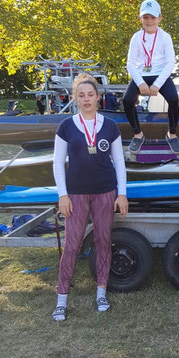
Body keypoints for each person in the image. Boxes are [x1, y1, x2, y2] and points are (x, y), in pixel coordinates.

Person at [52, 74, 128, 321]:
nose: (86, 99)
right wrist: (62, 194)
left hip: (105, 192)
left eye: (90, 95)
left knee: (103, 241)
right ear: (75, 98)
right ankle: (62, 299)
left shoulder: (110, 126)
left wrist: (122, 194)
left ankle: (101, 293)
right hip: (76, 194)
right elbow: (57, 162)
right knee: (72, 245)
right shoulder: (66, 126)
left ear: (98, 97)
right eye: (81, 95)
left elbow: (119, 161)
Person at [124, 0, 179, 154]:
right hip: (141, 74)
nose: (149, 21)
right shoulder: (136, 37)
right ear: (140, 19)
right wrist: (141, 82)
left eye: (153, 17)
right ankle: (138, 134)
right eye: (145, 17)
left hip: (160, 74)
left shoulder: (165, 37)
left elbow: (170, 63)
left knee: (174, 99)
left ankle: (172, 134)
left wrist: (157, 84)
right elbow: (130, 63)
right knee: (127, 100)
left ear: (160, 18)